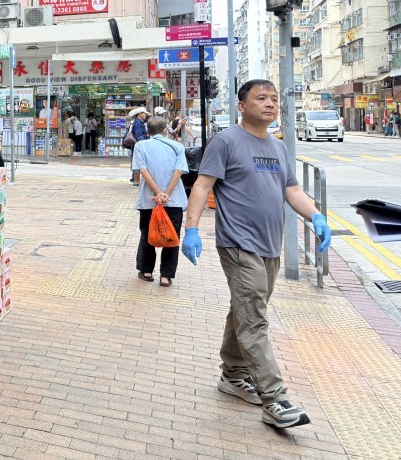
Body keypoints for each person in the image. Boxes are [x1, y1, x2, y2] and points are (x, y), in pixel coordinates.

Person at [181, 79, 332, 429]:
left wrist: (316, 216)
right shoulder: (226, 141)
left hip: (269, 244)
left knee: (245, 309)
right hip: (238, 244)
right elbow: (202, 185)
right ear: (242, 105)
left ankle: (233, 375)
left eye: (274, 99)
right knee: (254, 318)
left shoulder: (278, 147)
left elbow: (292, 190)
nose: (270, 104)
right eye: (261, 98)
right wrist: (190, 229)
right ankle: (274, 399)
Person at [132, 116, 187, 287]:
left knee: (147, 234)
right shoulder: (177, 146)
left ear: (148, 131)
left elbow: (142, 170)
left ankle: (146, 271)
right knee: (172, 236)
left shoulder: (140, 146)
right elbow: (179, 171)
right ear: (165, 130)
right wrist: (166, 194)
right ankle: (166, 276)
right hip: (173, 200)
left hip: (149, 200)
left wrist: (157, 193)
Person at [129, 108, 149, 185]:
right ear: (140, 114)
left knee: (137, 161)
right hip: (139, 145)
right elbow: (139, 136)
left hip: (138, 145)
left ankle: (134, 178)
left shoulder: (139, 122)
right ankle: (136, 180)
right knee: (138, 161)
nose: (145, 115)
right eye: (144, 113)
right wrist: (144, 144)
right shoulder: (138, 122)